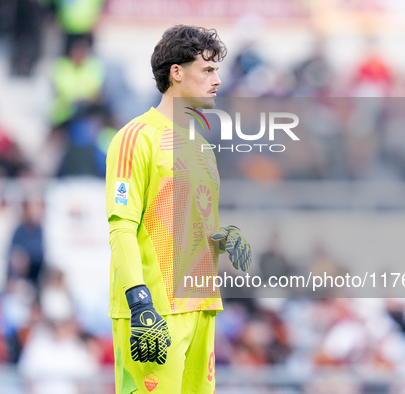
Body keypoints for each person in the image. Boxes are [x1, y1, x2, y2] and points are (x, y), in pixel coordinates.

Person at [105, 25, 252, 393]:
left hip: (201, 308)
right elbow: (121, 227)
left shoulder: (202, 149)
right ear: (176, 72)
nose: (217, 80)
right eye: (207, 70)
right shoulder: (135, 137)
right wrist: (139, 303)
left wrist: (222, 239)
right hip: (155, 312)